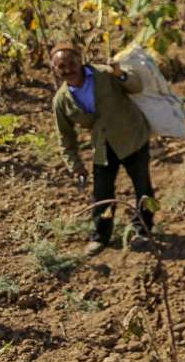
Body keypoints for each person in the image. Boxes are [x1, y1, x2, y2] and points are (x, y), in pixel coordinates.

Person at [51, 42, 156, 255]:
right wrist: (76, 166)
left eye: (72, 63)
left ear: (81, 60)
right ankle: (101, 236)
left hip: (132, 137)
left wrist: (120, 74)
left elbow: (136, 86)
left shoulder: (105, 74)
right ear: (55, 69)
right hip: (103, 146)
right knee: (102, 193)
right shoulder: (61, 100)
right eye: (62, 66)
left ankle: (142, 230)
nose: (68, 69)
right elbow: (66, 137)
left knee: (142, 186)